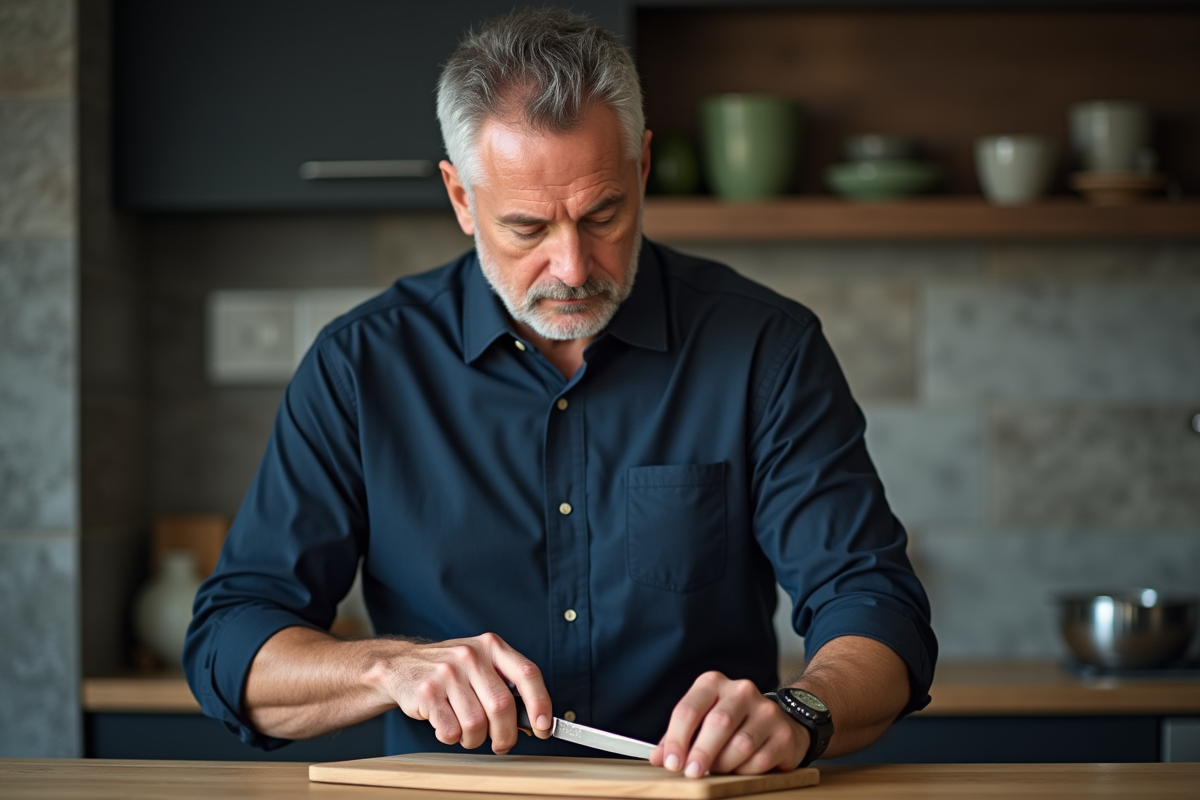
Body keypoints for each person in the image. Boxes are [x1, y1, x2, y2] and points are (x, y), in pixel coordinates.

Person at [184, 8, 937, 778]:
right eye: (527, 228)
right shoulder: (359, 366)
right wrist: (386, 669)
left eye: (602, 214)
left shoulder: (766, 351)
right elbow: (230, 639)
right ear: (461, 199)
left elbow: (875, 605)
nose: (573, 266)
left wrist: (801, 711)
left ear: (642, 168)